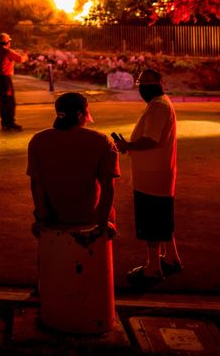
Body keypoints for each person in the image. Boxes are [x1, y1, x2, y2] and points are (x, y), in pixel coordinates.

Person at [114, 68, 182, 290]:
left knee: (151, 222)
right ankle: (171, 259)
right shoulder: (161, 103)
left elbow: (150, 139)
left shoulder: (158, 107)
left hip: (151, 175)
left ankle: (153, 268)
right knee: (162, 219)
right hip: (159, 172)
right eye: (140, 83)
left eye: (144, 83)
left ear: (156, 84)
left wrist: (127, 146)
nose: (141, 87)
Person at [27, 92, 120, 233]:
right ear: (80, 115)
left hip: (54, 219)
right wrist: (102, 224)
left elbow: (36, 184)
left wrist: (42, 219)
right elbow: (108, 188)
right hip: (90, 218)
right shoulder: (102, 142)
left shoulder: (38, 141)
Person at [0, 32, 28, 132]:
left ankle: (5, 123)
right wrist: (25, 54)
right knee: (10, 101)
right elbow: (20, 59)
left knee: (3, 101)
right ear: (7, 42)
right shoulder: (7, 51)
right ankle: (10, 123)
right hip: (5, 79)